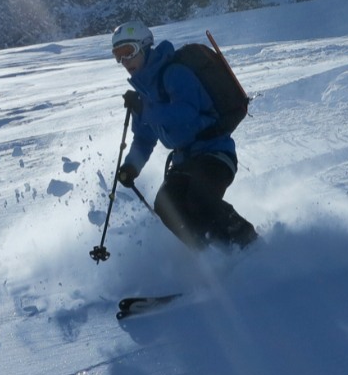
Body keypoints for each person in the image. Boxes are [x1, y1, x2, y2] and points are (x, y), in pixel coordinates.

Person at [110, 20, 258, 250]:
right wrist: (131, 167)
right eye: (118, 55)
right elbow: (144, 139)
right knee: (166, 206)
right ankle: (210, 256)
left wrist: (144, 109)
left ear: (144, 46)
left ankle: (250, 244)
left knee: (199, 199)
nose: (124, 61)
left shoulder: (174, 73)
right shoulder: (144, 94)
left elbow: (186, 113)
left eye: (128, 52)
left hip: (215, 153)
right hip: (183, 161)